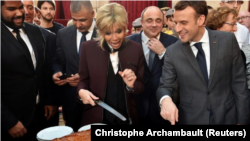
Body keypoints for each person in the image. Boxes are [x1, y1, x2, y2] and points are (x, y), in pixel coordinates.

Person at [157, 0, 250, 125]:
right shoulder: (173, 52)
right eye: (176, 23)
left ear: (201, 20)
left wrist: (242, 120)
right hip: (192, 120)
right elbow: (165, 86)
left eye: (184, 23)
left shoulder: (227, 40)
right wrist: (165, 100)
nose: (177, 29)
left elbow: (239, 84)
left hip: (227, 117)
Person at [77, 2, 144, 125]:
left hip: (127, 119)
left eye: (118, 31)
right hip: (96, 118)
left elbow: (143, 87)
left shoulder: (136, 49)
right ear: (101, 32)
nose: (114, 38)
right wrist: (81, 92)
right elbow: (83, 81)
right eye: (108, 33)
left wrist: (132, 85)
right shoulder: (87, 48)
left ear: (125, 27)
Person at [0, 0, 50, 140]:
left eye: (21, 7)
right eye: (11, 9)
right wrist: (8, 121)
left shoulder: (34, 30)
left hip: (40, 115)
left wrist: (48, 100)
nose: (20, 12)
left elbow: (42, 70)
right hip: (12, 122)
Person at [127, 6, 178, 125]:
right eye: (149, 20)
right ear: (142, 22)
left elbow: (179, 72)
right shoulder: (129, 43)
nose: (154, 24)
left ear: (163, 22)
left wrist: (163, 53)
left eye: (158, 20)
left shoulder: (174, 43)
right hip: (136, 105)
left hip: (163, 107)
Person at [52, 0, 97, 131]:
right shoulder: (63, 34)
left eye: (82, 20)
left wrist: (83, 77)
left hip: (97, 97)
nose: (78, 24)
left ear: (93, 13)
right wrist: (57, 72)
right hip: (71, 99)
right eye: (74, 19)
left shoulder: (105, 33)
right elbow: (58, 60)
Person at [23, 0, 59, 130]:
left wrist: (51, 100)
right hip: (15, 108)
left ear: (35, 11)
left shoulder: (49, 37)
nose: (26, 11)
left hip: (44, 105)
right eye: (22, 7)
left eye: (30, 7)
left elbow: (50, 70)